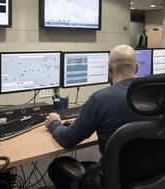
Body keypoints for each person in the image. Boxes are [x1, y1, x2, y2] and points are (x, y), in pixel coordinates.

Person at [45, 44, 150, 189]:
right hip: (150, 172)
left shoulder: (100, 99)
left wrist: (54, 124)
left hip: (110, 179)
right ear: (137, 67)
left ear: (109, 69)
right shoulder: (155, 95)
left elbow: (67, 139)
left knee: (57, 168)